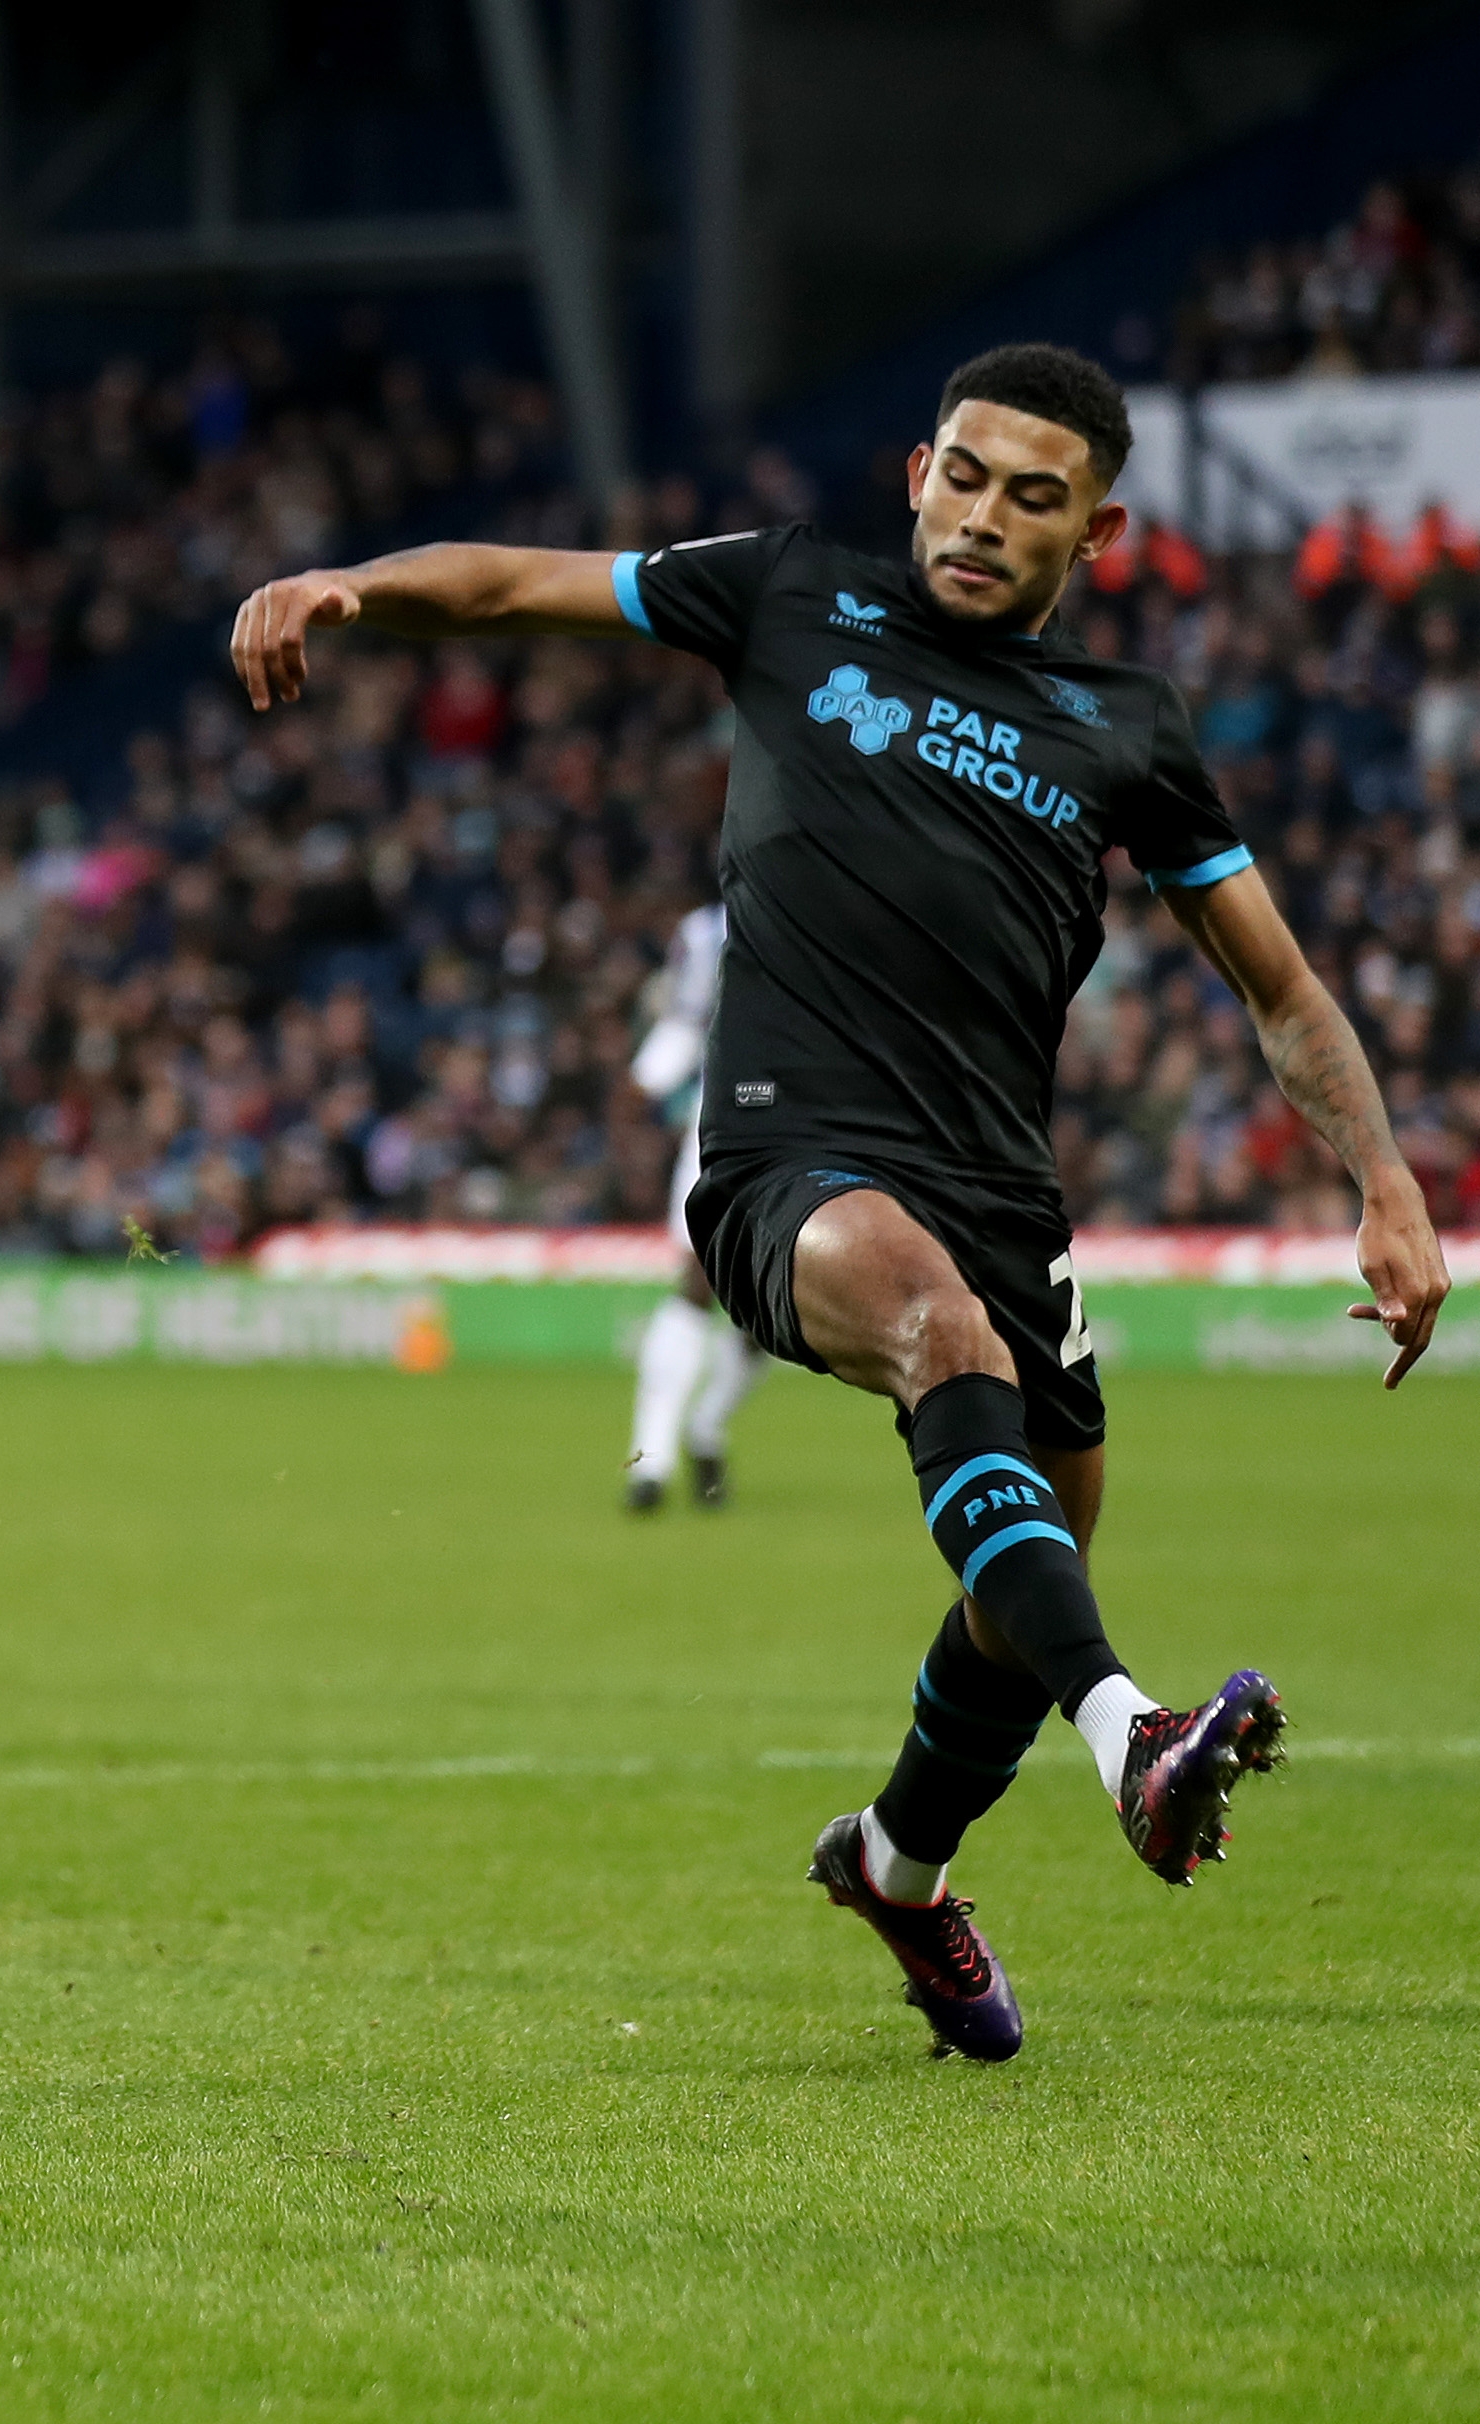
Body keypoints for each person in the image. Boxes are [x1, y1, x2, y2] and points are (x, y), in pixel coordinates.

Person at [232, 342, 1447, 2063]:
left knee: (1034, 1554)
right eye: (963, 472)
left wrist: (1386, 1182)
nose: (981, 514)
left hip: (999, 1190)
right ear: (915, 473)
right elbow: (509, 583)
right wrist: (351, 583)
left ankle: (896, 1865)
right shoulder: (792, 594)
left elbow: (1281, 987)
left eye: (1034, 496)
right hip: (785, 1158)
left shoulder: (1128, 729)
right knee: (944, 1346)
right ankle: (1136, 1732)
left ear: (1091, 533)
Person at [620, 900, 761, 1512]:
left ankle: (705, 1426)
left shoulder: (842, 901)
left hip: (810, 1120)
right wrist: (647, 1084)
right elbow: (684, 1021)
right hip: (728, 1117)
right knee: (696, 1281)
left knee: (768, 1314)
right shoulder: (711, 929)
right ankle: (650, 1461)